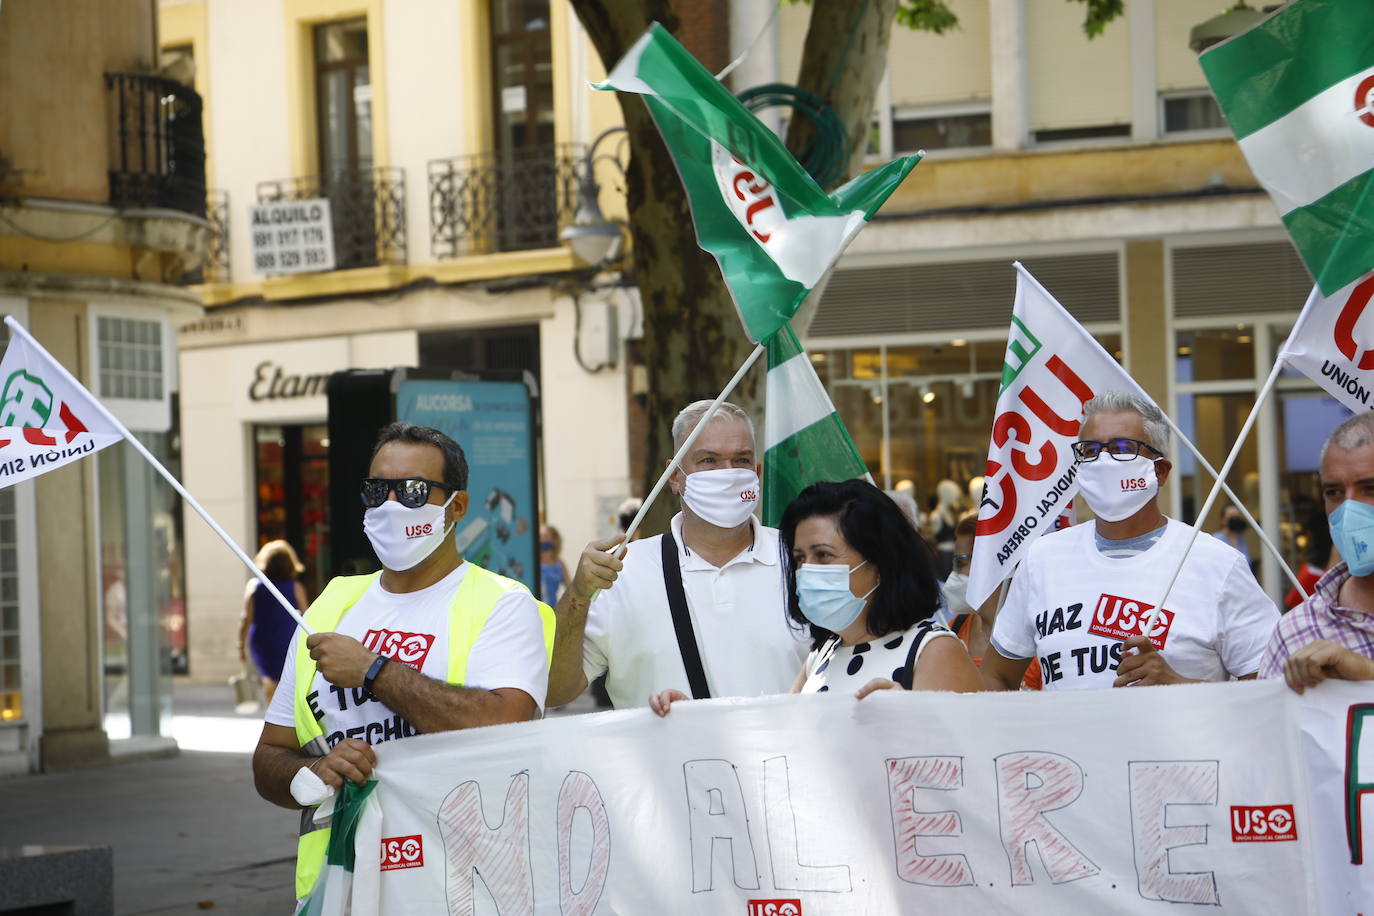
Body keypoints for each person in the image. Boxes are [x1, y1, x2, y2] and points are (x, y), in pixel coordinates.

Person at [251, 423, 554, 903]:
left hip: (457, 887)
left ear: (456, 506)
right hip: (341, 888)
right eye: (377, 490)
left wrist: (375, 671)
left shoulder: (501, 604)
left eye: (414, 492)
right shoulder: (330, 608)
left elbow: (504, 725)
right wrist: (310, 774)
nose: (391, 506)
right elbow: (269, 757)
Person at [981, 391, 1278, 691]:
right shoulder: (1042, 560)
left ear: (1160, 471)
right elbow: (997, 676)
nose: (1103, 461)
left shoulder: (1216, 564)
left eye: (1123, 448)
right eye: (1090, 450)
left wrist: (1178, 685)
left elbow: (1271, 690)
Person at [545, 400, 810, 709]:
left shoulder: (802, 561)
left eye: (741, 459)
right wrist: (578, 594)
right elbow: (554, 691)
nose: (727, 473)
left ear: (757, 471)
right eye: (708, 460)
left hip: (780, 758)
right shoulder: (623, 571)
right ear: (674, 476)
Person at [650, 480, 981, 714]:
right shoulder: (821, 657)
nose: (806, 570)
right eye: (799, 558)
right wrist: (691, 720)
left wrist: (912, 724)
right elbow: (772, 748)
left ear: (880, 563)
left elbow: (967, 769)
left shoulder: (933, 651)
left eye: (823, 555)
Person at [1261, 413, 1374, 691]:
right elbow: (1263, 730)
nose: (1349, 510)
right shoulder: (1297, 632)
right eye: (1334, 492)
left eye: (1370, 488)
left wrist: (1367, 673)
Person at [239, 539, 309, 707]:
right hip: (287, 640)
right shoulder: (295, 587)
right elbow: (307, 615)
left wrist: (240, 646)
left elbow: (245, 619)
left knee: (270, 682)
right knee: (287, 681)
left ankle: (271, 714)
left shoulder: (255, 586)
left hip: (262, 642)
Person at [539, 524, 569, 602]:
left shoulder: (559, 564)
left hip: (552, 609)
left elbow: (569, 587)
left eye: (545, 536)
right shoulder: (533, 563)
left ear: (554, 540)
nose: (541, 539)